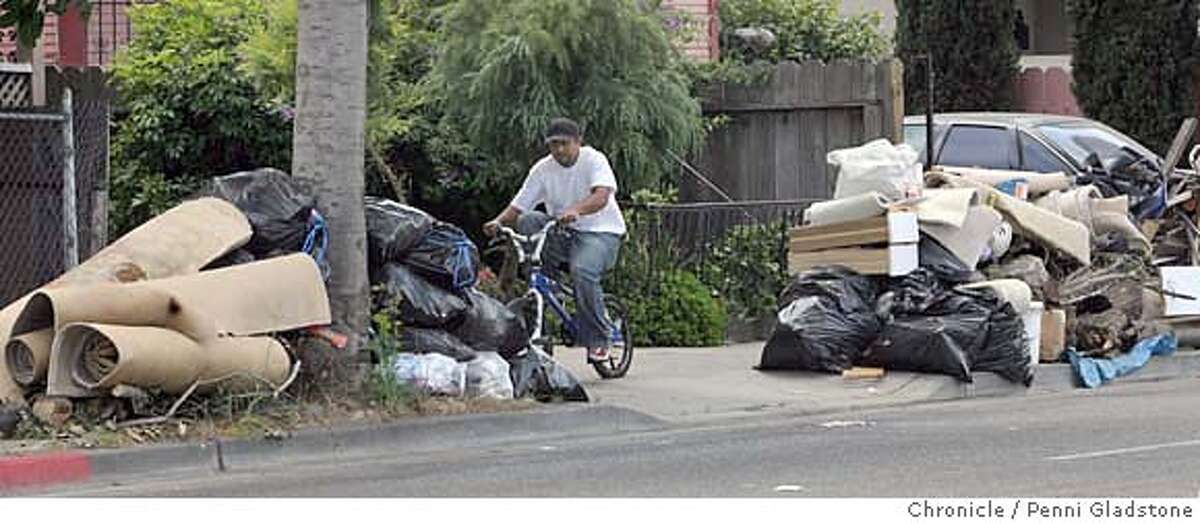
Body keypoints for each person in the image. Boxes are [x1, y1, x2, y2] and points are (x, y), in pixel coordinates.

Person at [483, 118, 626, 363]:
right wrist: (497, 223)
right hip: (562, 231)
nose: (559, 150)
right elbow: (519, 205)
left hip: (601, 232)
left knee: (582, 271)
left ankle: (599, 339)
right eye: (553, 145)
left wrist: (577, 210)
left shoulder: (593, 160)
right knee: (528, 221)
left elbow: (601, 196)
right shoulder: (543, 169)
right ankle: (549, 283)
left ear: (578, 141)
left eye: (564, 144)